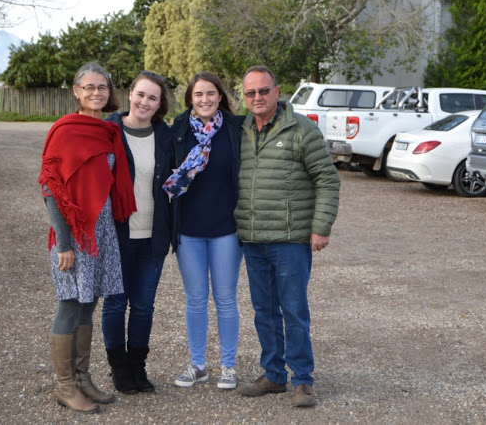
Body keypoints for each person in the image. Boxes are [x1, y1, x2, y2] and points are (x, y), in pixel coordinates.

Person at [234, 65, 340, 408]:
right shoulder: (241, 130)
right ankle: (274, 375)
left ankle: (303, 380)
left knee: (293, 310)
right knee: (263, 310)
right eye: (250, 93)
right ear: (244, 96)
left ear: (277, 92)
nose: (258, 98)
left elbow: (327, 179)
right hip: (253, 239)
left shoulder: (302, 130)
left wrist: (320, 227)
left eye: (263, 91)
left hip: (290, 240)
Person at [38, 62, 136, 414]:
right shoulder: (65, 131)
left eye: (103, 87)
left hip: (102, 230)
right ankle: (65, 386)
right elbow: (50, 186)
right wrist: (64, 244)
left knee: (89, 302)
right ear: (77, 91)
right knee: (69, 302)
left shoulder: (107, 131)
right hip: (75, 233)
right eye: (89, 87)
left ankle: (81, 378)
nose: (97, 92)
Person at [163, 71, 244, 390]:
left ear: (220, 96)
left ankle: (228, 366)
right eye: (198, 95)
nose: (205, 100)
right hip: (189, 230)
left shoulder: (237, 130)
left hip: (226, 229)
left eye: (211, 94)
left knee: (225, 298)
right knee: (195, 299)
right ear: (190, 99)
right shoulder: (179, 130)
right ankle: (198, 365)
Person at [101, 71, 173, 393]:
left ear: (160, 104)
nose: (145, 102)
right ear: (130, 94)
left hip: (153, 236)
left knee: (143, 306)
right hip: (118, 235)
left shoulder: (166, 136)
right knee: (116, 303)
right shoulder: (108, 130)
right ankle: (118, 368)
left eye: (153, 97)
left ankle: (137, 367)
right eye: (141, 94)